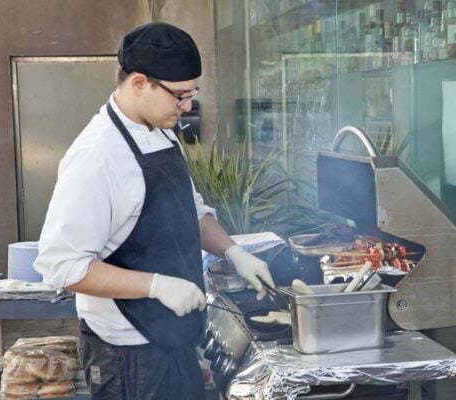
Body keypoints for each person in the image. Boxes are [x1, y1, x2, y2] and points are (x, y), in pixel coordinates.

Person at [34, 22, 275, 400]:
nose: (188, 105)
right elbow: (62, 265)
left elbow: (190, 211)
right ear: (139, 83)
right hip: (128, 357)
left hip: (173, 340)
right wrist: (156, 286)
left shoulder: (161, 133)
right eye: (179, 95)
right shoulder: (97, 157)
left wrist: (233, 251)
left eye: (192, 93)